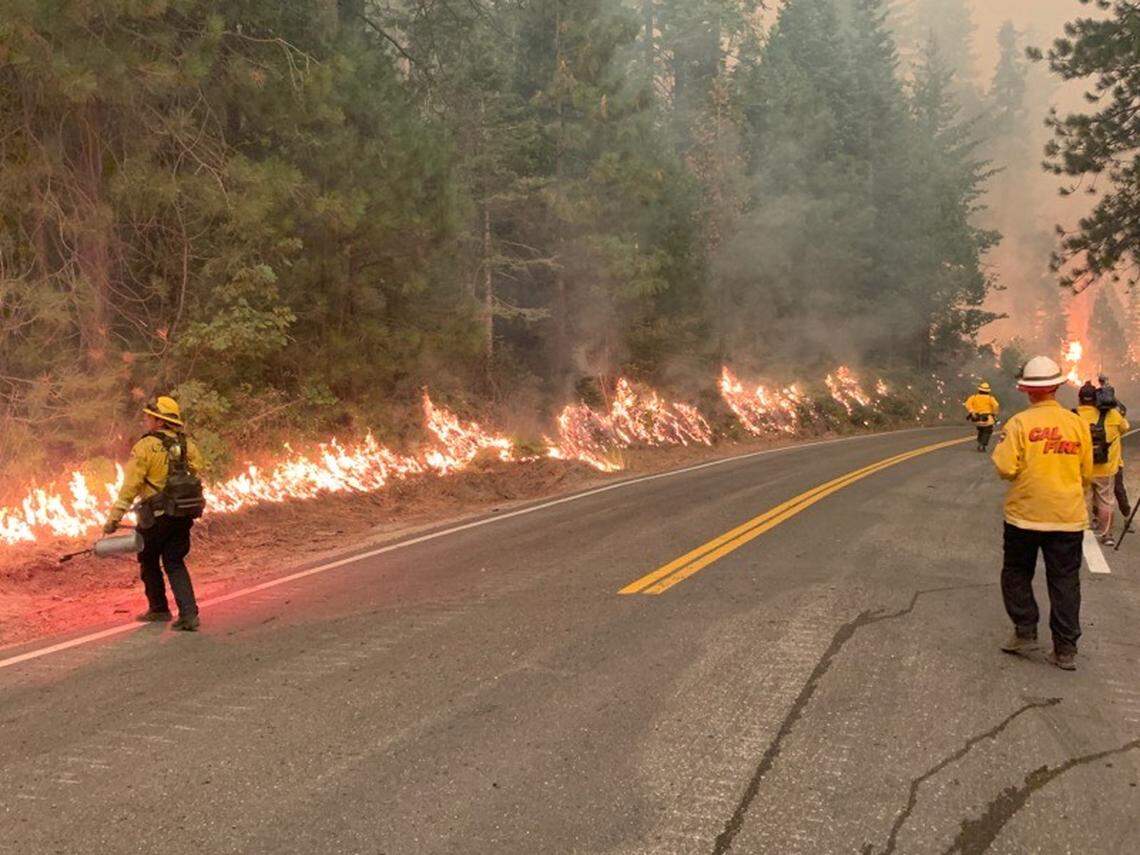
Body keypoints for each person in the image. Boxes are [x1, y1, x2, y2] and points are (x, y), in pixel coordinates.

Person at [992, 356, 1092, 671]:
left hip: (1024, 515)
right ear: (1057, 387)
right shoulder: (1077, 424)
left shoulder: (1019, 423)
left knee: (1017, 572)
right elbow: (1086, 472)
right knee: (1064, 580)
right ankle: (1064, 650)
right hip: (1067, 516)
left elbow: (1006, 468)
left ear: (1026, 390)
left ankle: (1025, 632)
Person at [104, 396, 205, 631]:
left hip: (156, 515)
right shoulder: (187, 444)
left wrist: (114, 518)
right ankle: (189, 615)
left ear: (159, 421)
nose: (147, 420)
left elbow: (131, 485)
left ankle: (159, 608)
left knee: (148, 558)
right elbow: (198, 469)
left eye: (150, 417)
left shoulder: (145, 446)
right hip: (182, 512)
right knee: (174, 561)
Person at [1076, 381, 1130, 547]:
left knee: (1084, 499)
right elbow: (1125, 427)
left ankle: (1082, 532)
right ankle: (1107, 535)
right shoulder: (1112, 415)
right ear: (1096, 398)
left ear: (1080, 399)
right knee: (1106, 500)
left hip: (1083, 468)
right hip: (1106, 468)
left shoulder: (1074, 415)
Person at [964, 381, 1001, 452]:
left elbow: (967, 404)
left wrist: (972, 411)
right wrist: (994, 413)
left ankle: (980, 442)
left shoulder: (974, 397)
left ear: (979, 390)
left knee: (981, 430)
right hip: (987, 419)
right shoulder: (990, 398)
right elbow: (996, 405)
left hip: (976, 419)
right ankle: (982, 445)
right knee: (987, 431)